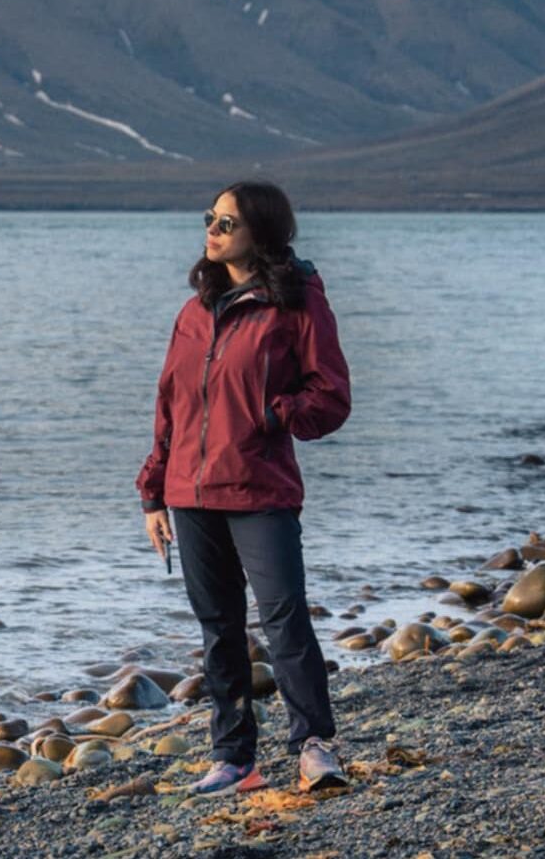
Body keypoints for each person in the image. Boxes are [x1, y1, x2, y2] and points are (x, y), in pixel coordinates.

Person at [136, 180, 351, 796]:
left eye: (226, 222)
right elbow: (170, 405)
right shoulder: (195, 309)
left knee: (284, 620)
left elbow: (331, 394)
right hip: (190, 494)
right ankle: (235, 760)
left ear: (262, 232)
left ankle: (314, 746)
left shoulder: (296, 301)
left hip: (259, 489)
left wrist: (272, 415)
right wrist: (153, 491)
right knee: (218, 629)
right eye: (210, 218)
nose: (212, 229)